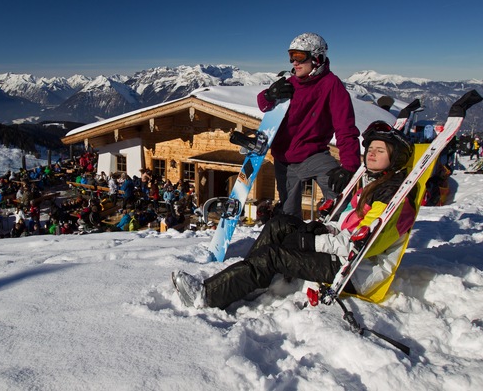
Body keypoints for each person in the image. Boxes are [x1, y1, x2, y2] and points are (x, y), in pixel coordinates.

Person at [172, 122, 416, 309]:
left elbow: (360, 245)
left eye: (380, 150)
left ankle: (206, 296)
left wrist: (310, 241)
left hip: (355, 271)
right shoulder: (372, 183)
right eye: (370, 148)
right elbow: (346, 228)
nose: (371, 154)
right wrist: (318, 230)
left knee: (273, 255)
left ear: (394, 159)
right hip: (339, 255)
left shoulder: (394, 200)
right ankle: (249, 280)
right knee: (280, 224)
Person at [257, 32, 361, 218]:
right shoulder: (289, 84)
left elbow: (345, 129)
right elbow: (264, 106)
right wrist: (267, 96)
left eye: (299, 57)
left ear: (317, 58)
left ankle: (342, 231)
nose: (294, 63)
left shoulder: (332, 86)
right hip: (284, 160)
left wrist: (349, 167)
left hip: (314, 155)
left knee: (338, 196)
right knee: (288, 214)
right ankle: (293, 242)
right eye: (291, 56)